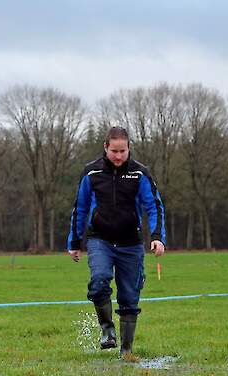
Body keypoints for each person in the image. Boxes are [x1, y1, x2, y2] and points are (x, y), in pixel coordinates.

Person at [67, 126, 166, 358]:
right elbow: (79, 208)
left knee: (129, 297)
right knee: (99, 280)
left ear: (129, 148)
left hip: (130, 243)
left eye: (123, 150)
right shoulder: (91, 173)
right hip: (100, 239)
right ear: (105, 148)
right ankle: (107, 330)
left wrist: (157, 237)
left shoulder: (140, 174)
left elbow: (154, 206)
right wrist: (74, 241)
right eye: (114, 151)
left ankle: (126, 351)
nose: (119, 156)